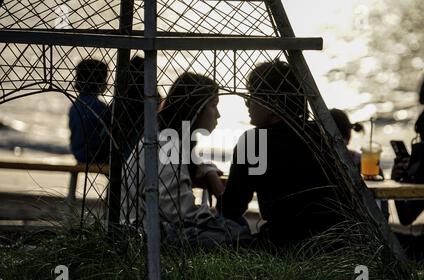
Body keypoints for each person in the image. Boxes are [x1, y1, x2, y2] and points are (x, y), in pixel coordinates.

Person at [217, 60, 342, 247]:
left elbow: (231, 208)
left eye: (251, 96)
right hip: (337, 239)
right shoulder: (322, 134)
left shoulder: (253, 142)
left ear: (273, 103)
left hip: (284, 242)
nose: (247, 104)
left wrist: (211, 179)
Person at [121, 72, 251, 247]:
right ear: (195, 108)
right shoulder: (169, 148)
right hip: (145, 235)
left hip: (137, 228)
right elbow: (179, 213)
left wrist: (206, 169)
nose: (218, 115)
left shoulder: (164, 140)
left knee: (235, 226)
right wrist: (212, 213)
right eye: (213, 105)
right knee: (239, 230)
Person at [69, 59, 110, 164]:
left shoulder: (74, 106)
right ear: (100, 83)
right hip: (97, 156)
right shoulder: (100, 107)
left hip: (78, 153)